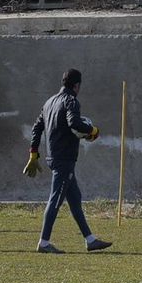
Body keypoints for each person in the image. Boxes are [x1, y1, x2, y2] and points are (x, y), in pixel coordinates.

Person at [23, 68, 112, 254]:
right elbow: (74, 124)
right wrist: (92, 130)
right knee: (55, 199)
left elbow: (37, 128)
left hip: (53, 157)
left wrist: (33, 153)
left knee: (75, 198)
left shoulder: (49, 102)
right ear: (77, 85)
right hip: (64, 159)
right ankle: (44, 243)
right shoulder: (71, 101)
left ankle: (90, 240)